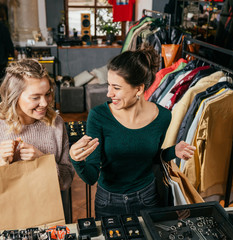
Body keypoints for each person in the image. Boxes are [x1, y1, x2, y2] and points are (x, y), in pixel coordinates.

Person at [69, 47, 196, 219]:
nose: (109, 93)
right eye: (108, 85)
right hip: (108, 202)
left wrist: (174, 151)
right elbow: (91, 176)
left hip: (148, 199)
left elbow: (151, 159)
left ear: (138, 89)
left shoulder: (163, 117)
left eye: (116, 87)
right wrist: (75, 159)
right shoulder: (99, 116)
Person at [0, 59, 75, 214]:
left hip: (51, 215)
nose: (45, 103)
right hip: (9, 219)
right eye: (35, 97)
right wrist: (2, 166)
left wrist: (42, 160)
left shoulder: (56, 123)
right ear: (14, 97)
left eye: (48, 94)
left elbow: (66, 181)